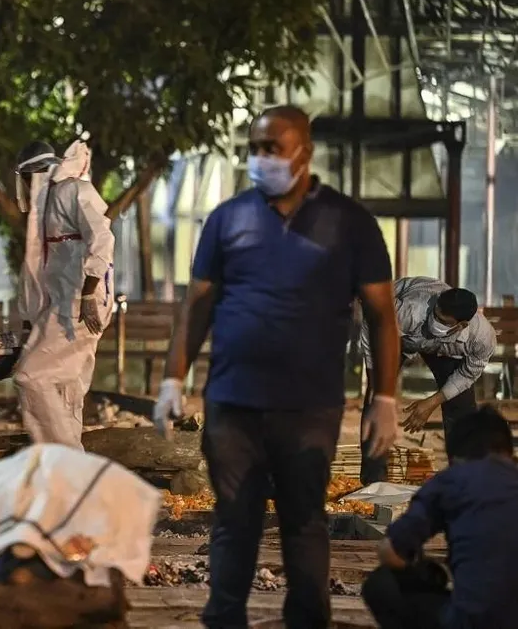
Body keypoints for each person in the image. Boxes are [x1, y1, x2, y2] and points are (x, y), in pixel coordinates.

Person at [153, 105, 402, 628]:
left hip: (309, 406)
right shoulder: (229, 218)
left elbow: (382, 316)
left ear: (304, 153)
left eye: (274, 148)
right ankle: (224, 620)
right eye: (256, 147)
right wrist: (174, 376)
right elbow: (198, 304)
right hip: (233, 402)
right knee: (233, 521)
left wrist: (385, 398)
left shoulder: (349, 222)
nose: (262, 158)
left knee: (303, 522)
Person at [362, 405, 518, 628]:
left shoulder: (450, 481)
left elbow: (390, 552)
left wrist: (424, 573)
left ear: (454, 456)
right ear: (509, 452)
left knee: (382, 584)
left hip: (471, 621)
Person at [12, 138, 115, 449]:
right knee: (67, 388)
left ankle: (68, 459)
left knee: (30, 377)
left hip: (78, 305)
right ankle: (67, 480)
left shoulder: (74, 190)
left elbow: (103, 241)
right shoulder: (49, 203)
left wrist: (88, 295)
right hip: (62, 304)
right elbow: (42, 268)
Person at [359, 277, 496, 484]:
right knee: (376, 401)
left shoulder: (482, 337)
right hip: (399, 336)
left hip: (448, 351)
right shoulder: (410, 310)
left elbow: (468, 375)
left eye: (444, 322)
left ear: (462, 325)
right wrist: (374, 379)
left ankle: (464, 480)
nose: (435, 323)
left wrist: (432, 402)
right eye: (435, 315)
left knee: (462, 409)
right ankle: (373, 480)